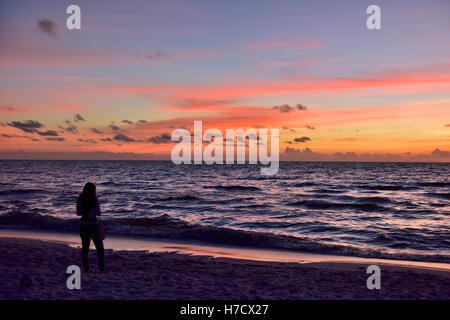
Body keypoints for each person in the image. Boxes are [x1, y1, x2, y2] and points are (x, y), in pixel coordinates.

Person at [76, 182, 104, 272]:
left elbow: (78, 213)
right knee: (99, 248)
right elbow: (98, 213)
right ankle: (101, 268)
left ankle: (86, 268)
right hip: (94, 226)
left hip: (83, 225)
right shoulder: (95, 200)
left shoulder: (80, 199)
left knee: (85, 248)